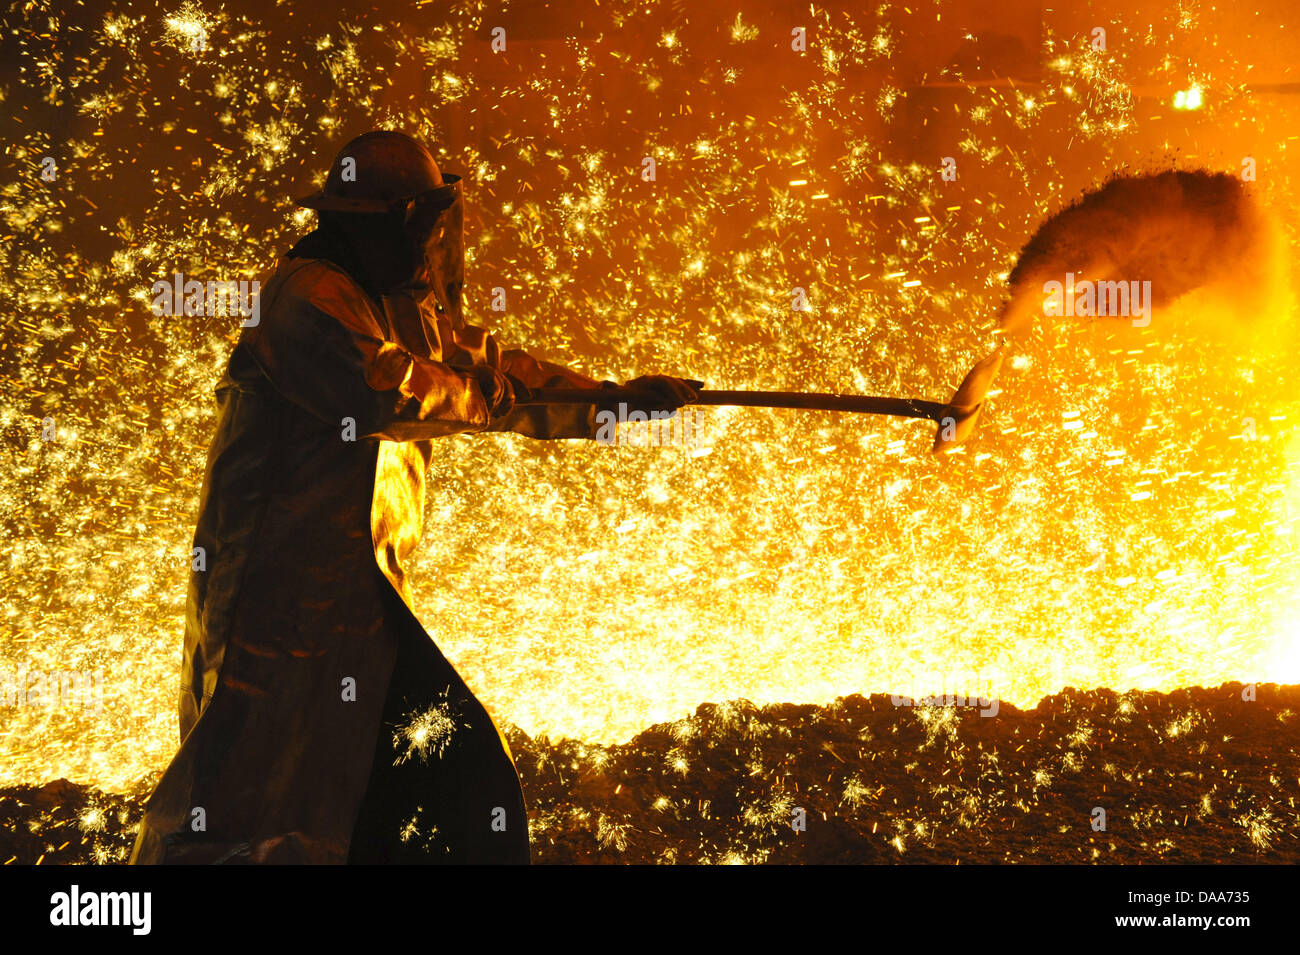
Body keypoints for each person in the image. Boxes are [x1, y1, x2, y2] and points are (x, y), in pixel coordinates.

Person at [129, 130, 699, 864]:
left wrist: (611, 403)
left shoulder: (397, 300)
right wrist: (493, 394)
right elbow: (389, 391)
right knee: (243, 807)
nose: (431, 237)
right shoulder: (308, 299)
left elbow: (491, 372)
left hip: (356, 605)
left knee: (396, 788)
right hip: (271, 606)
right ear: (390, 220)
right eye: (420, 222)